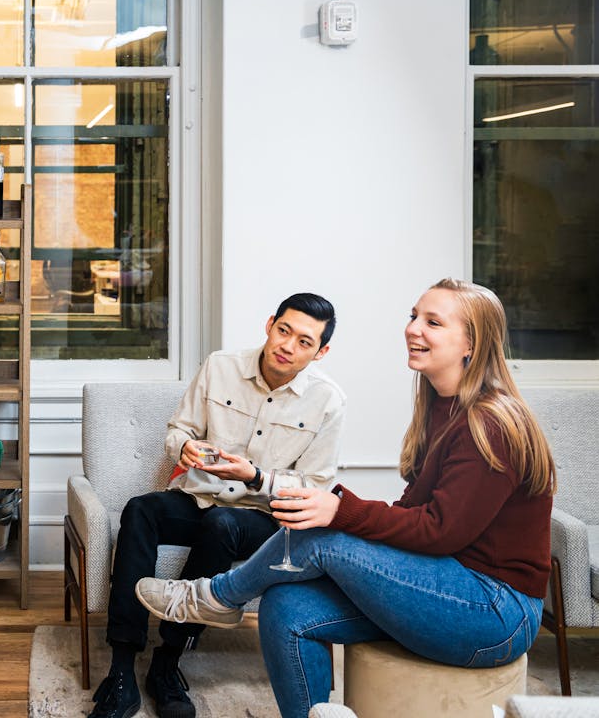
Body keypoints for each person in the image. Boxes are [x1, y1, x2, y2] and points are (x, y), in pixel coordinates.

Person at [135, 278, 555, 718]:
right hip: (445, 582)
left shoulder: (490, 422)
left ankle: (217, 597)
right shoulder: (441, 405)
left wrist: (341, 511)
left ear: (472, 343)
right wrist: (342, 517)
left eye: (433, 322)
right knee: (285, 607)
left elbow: (440, 531)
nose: (413, 329)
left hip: (495, 612)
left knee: (323, 532)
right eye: (414, 316)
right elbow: (415, 514)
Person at [89, 294, 345, 718]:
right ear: (269, 324)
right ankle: (121, 669)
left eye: (304, 342)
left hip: (262, 517)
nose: (288, 346)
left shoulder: (328, 400)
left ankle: (167, 663)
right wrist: (185, 447)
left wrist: (256, 478)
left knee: (224, 524)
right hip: (198, 496)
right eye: (284, 331)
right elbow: (179, 430)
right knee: (140, 509)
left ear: (321, 351)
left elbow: (315, 487)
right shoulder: (220, 366)